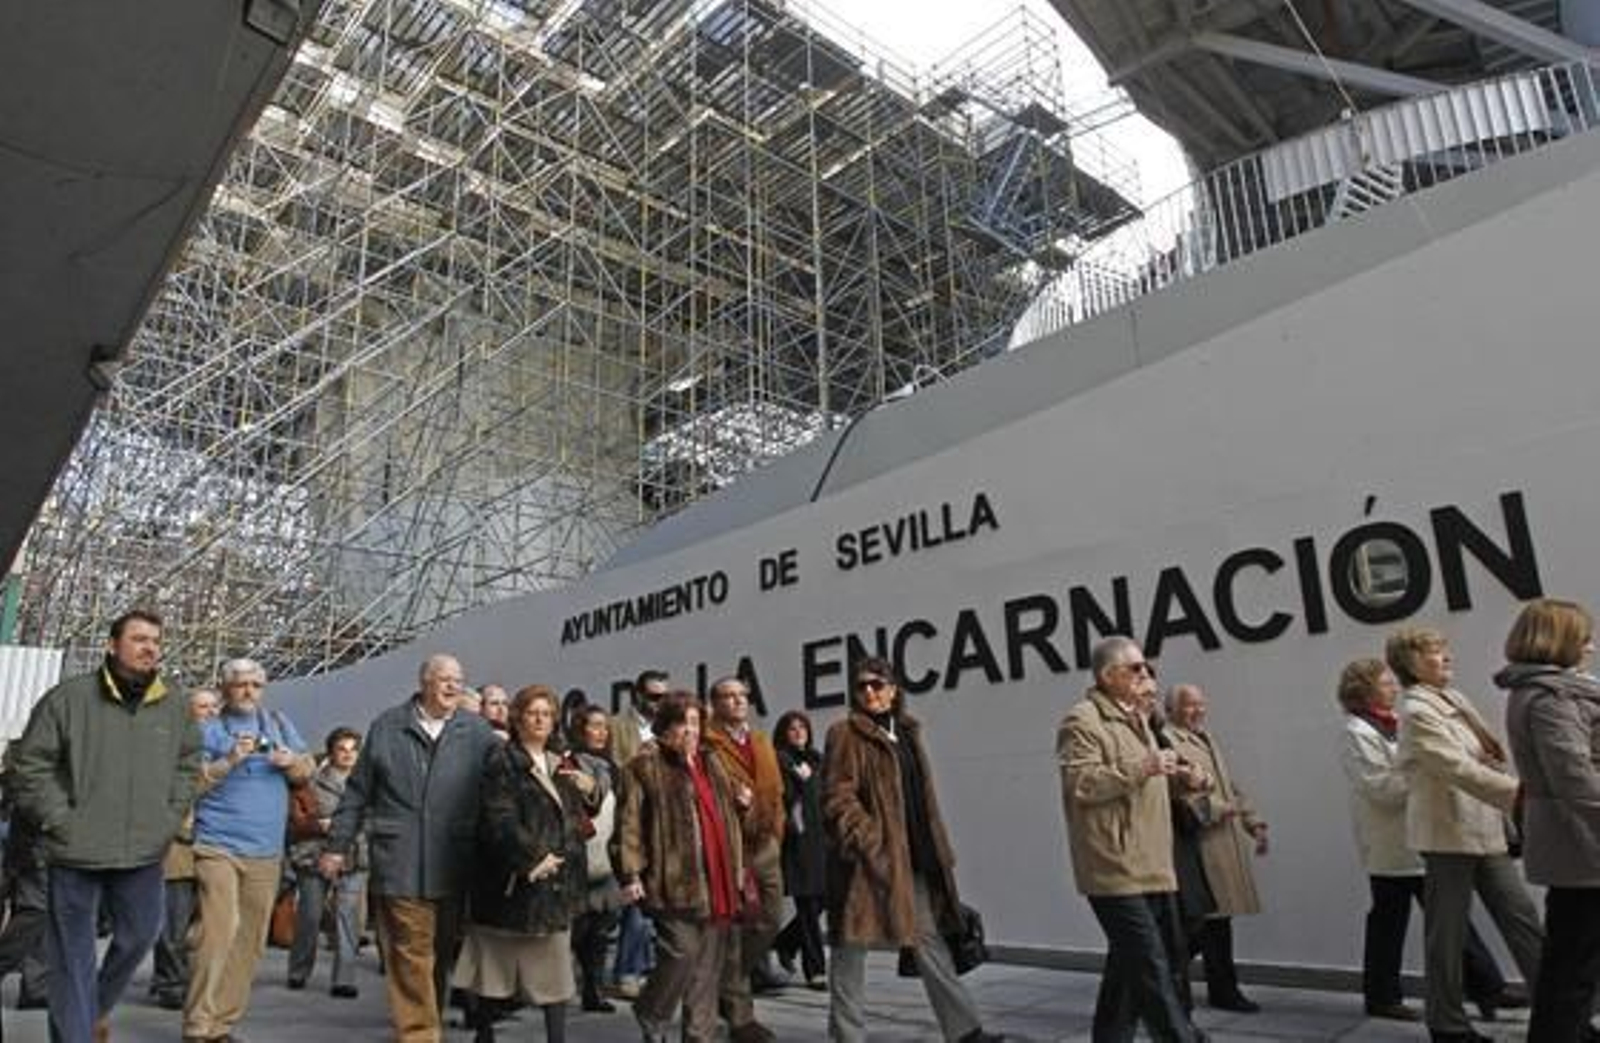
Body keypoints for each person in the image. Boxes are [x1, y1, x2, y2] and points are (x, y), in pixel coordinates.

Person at [10, 608, 202, 1043]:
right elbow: (30, 765)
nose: (150, 646)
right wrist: (60, 819)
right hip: (75, 850)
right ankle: (76, 1033)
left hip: (144, 851)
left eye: (155, 640)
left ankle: (84, 1014)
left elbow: (188, 765)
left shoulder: (174, 705)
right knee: (72, 959)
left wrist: (168, 817)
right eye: (138, 638)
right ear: (112, 646)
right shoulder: (69, 699)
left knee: (138, 938)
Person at [321, 653, 499, 1043]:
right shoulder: (388, 727)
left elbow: (501, 791)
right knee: (409, 953)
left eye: (458, 679)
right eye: (444, 679)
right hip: (400, 858)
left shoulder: (477, 732)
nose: (453, 686)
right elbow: (357, 792)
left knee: (440, 953)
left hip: (455, 860)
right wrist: (337, 846)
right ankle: (419, 1034)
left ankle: (424, 1022)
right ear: (424, 682)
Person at [825, 656, 1002, 1043]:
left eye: (877, 684)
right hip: (862, 866)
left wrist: (937, 850)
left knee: (930, 942)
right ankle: (847, 1037)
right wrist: (872, 844)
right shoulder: (845, 733)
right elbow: (839, 799)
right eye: (861, 686)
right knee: (850, 951)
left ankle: (965, 1031)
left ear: (894, 689)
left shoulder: (907, 732)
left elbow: (921, 799)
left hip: (914, 861)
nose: (869, 692)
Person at [1336, 658, 1522, 1023]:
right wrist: (1425, 772)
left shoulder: (1399, 724)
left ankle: (1488, 989)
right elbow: (1379, 789)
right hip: (1391, 844)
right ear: (1364, 690)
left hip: (1423, 838)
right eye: (1385, 683)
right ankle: (1382, 996)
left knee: (1449, 919)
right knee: (1393, 922)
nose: (1393, 688)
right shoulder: (1356, 732)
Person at [1391, 626, 1544, 1043]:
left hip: (1484, 826)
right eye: (1433, 652)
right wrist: (1518, 792)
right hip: (1447, 833)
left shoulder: (1454, 700)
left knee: (1523, 920)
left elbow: (1485, 755)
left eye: (1443, 649)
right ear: (1410, 664)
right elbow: (1454, 766)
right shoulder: (1417, 710)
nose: (1446, 657)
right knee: (1448, 933)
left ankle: (1561, 1014)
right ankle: (1447, 1024)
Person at [1058, 637, 1201, 1043]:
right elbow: (1081, 785)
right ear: (1108, 676)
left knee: (1130, 968)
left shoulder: (1140, 720)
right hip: (1113, 865)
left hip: (1153, 862)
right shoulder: (1082, 720)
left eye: (1147, 667)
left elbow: (1148, 786)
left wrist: (1184, 781)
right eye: (1136, 668)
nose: (1146, 675)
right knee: (1152, 967)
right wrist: (1143, 767)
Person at [183, 658, 315, 1043]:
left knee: (250, 941)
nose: (248, 692)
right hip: (217, 845)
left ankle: (221, 1026)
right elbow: (189, 785)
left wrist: (291, 763)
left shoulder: (277, 723)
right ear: (224, 688)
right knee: (218, 933)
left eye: (256, 685)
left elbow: (307, 769)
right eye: (240, 685)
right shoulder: (206, 730)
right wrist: (229, 761)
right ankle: (197, 1025)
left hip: (266, 849)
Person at [455, 685, 592, 1043]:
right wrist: (530, 858)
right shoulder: (503, 761)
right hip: (513, 885)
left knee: (556, 976)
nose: (540, 720)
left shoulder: (560, 762)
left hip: (557, 885)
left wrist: (590, 788)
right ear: (517, 718)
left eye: (547, 713)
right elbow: (498, 818)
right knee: (493, 971)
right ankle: (484, 1033)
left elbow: (580, 811)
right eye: (533, 712)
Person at [1497, 598, 1600, 1043]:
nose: (1591, 646)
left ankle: (1570, 1030)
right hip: (1581, 841)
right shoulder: (1550, 698)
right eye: (1584, 637)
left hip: (1576, 839)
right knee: (1575, 958)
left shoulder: (1553, 691)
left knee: (1576, 955)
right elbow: (1575, 777)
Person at [615, 692, 745, 1043]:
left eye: (695, 723)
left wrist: (741, 803)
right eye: (682, 723)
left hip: (718, 876)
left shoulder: (712, 761)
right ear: (665, 727)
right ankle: (651, 1011)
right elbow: (628, 825)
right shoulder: (643, 766)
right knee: (682, 952)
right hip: (674, 879)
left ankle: (698, 1036)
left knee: (707, 967)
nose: (690, 731)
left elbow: (727, 814)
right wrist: (631, 873)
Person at [1164, 684, 1266, 1013]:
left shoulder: (1205, 738)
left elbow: (1229, 783)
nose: (1198, 710)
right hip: (1201, 846)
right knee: (1205, 924)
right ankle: (1172, 981)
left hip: (1223, 843)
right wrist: (1225, 809)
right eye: (1190, 705)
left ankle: (1216, 988)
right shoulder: (1169, 740)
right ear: (1172, 709)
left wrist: (1253, 821)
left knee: (1216, 924)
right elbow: (1181, 795)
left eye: (1201, 704)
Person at [702, 677, 783, 1042]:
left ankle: (726, 983)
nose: (736, 701)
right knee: (733, 932)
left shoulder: (762, 740)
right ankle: (740, 1016)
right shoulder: (708, 744)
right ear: (714, 703)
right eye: (727, 696)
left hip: (766, 845)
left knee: (770, 920)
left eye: (741, 696)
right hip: (731, 848)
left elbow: (776, 793)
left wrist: (777, 834)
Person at [149, 687, 221, 1010]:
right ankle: (170, 982)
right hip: (180, 849)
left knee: (208, 925)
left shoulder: (224, 746)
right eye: (202, 706)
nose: (209, 712)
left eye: (212, 707)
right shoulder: (171, 748)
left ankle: (181, 977)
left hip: (218, 847)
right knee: (173, 924)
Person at [287, 727, 367, 998]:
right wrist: (318, 825)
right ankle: (298, 970)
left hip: (354, 855)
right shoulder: (312, 781)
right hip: (314, 854)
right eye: (342, 749)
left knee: (348, 918)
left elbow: (377, 817)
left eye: (353, 749)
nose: (347, 754)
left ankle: (344, 978)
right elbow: (296, 819)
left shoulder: (369, 785)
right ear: (331, 752)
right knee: (310, 915)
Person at [610, 669, 669, 998]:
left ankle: (643, 967)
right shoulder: (618, 727)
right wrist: (639, 760)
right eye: (654, 696)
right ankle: (626, 971)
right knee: (635, 900)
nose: (660, 703)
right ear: (638, 695)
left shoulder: (666, 729)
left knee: (652, 904)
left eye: (664, 696)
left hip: (661, 824)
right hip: (631, 820)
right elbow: (614, 768)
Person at [568, 705, 622, 1013]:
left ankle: (594, 990)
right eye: (594, 726)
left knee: (601, 931)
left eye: (605, 727)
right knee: (576, 929)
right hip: (579, 860)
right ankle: (558, 991)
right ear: (580, 729)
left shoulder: (611, 768)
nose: (601, 732)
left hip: (606, 860)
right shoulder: (567, 763)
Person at [771, 710, 827, 990]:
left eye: (802, 727)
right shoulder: (780, 760)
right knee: (807, 906)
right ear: (783, 733)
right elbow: (784, 799)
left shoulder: (817, 759)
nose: (798, 732)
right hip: (797, 841)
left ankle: (785, 942)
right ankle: (815, 971)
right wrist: (801, 781)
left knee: (823, 900)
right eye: (792, 728)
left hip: (821, 841)